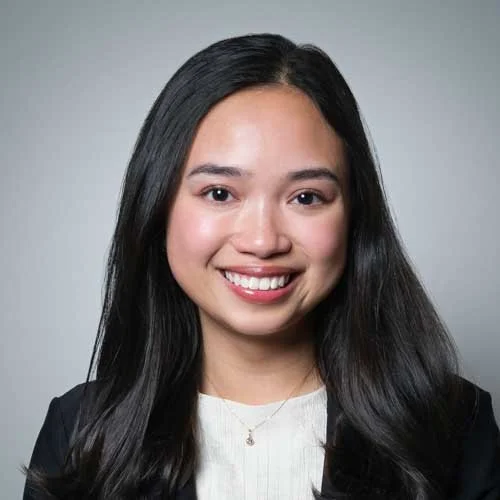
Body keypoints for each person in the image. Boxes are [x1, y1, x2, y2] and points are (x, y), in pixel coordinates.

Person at [23, 33, 500, 500]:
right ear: (158, 207)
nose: (262, 241)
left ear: (354, 215)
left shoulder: (454, 427)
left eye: (306, 197)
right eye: (219, 193)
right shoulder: (80, 434)